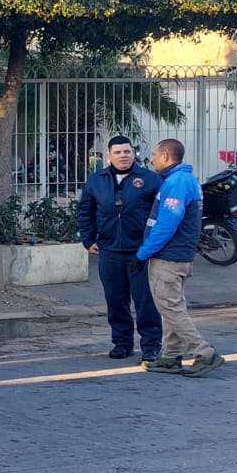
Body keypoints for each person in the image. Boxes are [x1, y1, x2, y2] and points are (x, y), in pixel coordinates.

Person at [139, 139, 225, 377]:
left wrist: (143, 252)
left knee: (171, 308)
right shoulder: (186, 180)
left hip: (168, 257)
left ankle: (204, 354)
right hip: (180, 256)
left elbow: (167, 224)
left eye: (155, 155)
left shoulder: (176, 183)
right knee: (171, 307)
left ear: (166, 156)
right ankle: (169, 357)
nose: (152, 159)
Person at [76, 135, 164, 361]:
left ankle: (151, 345)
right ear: (109, 156)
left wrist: (153, 244)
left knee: (145, 301)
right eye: (118, 152)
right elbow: (85, 212)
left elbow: (162, 214)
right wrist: (88, 239)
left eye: (127, 151)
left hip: (141, 252)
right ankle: (122, 343)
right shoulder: (96, 181)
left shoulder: (151, 180)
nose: (123, 156)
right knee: (116, 300)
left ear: (133, 153)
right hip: (109, 251)